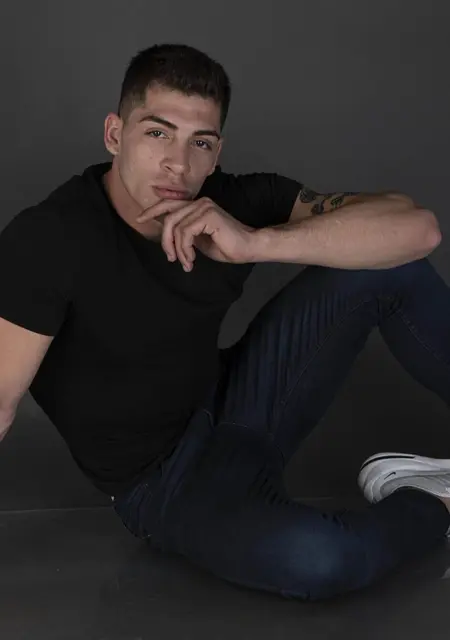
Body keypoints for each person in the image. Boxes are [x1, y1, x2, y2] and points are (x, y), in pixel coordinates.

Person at [0, 43, 449, 602]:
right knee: (322, 562)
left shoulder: (231, 201)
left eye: (200, 143)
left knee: (388, 268)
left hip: (244, 397)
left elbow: (418, 230)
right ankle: (435, 499)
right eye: (158, 133)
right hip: (165, 484)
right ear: (115, 134)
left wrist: (257, 242)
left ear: (216, 153)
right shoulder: (49, 240)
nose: (178, 163)